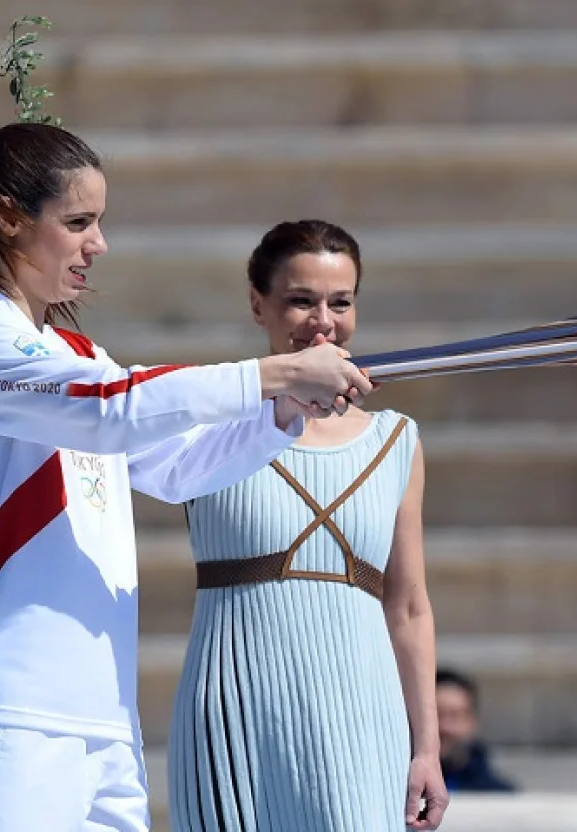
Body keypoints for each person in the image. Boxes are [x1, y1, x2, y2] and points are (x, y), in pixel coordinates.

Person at [0, 123, 372, 832]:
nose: (99, 245)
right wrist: (276, 371)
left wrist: (282, 410)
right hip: (4, 718)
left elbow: (180, 466)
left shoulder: (77, 352)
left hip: (104, 722)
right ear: (8, 218)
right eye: (78, 223)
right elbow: (113, 409)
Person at [167, 219, 448, 832]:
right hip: (235, 707)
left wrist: (425, 749)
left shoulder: (397, 440)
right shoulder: (209, 420)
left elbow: (408, 607)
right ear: (257, 303)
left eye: (340, 302)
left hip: (361, 710)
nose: (323, 320)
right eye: (300, 300)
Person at [436, 668, 516, 792]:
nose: (444, 727)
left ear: (473, 722)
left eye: (455, 716)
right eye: (436, 715)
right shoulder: (400, 792)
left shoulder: (499, 796)